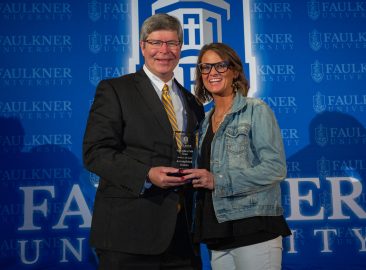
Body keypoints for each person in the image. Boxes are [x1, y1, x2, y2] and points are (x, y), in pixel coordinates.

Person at [83, 13, 204, 270]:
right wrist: (146, 174)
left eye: (172, 43)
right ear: (142, 47)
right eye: (155, 43)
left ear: (180, 48)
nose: (164, 50)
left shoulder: (193, 103)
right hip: (127, 236)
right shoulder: (115, 90)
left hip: (181, 237)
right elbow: (95, 152)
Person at [182, 43, 291, 270]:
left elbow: (275, 168)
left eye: (220, 66)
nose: (212, 73)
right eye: (205, 68)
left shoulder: (255, 110)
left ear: (234, 71)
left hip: (254, 227)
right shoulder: (202, 122)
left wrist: (218, 180)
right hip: (217, 231)